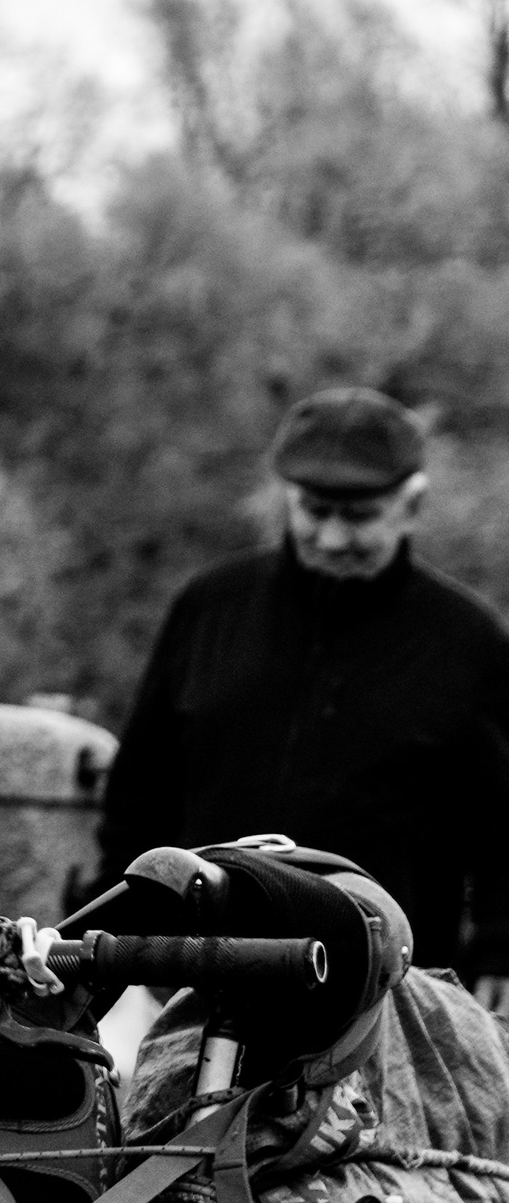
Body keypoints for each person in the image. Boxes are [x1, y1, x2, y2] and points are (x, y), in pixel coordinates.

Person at [100, 386, 509, 1007]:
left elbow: (501, 828)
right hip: (188, 979)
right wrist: (113, 930)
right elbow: (139, 790)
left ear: (412, 506)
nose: (333, 538)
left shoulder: (469, 641)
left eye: (360, 517)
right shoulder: (209, 605)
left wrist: (501, 951)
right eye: (315, 511)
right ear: (286, 498)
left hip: (381, 997)